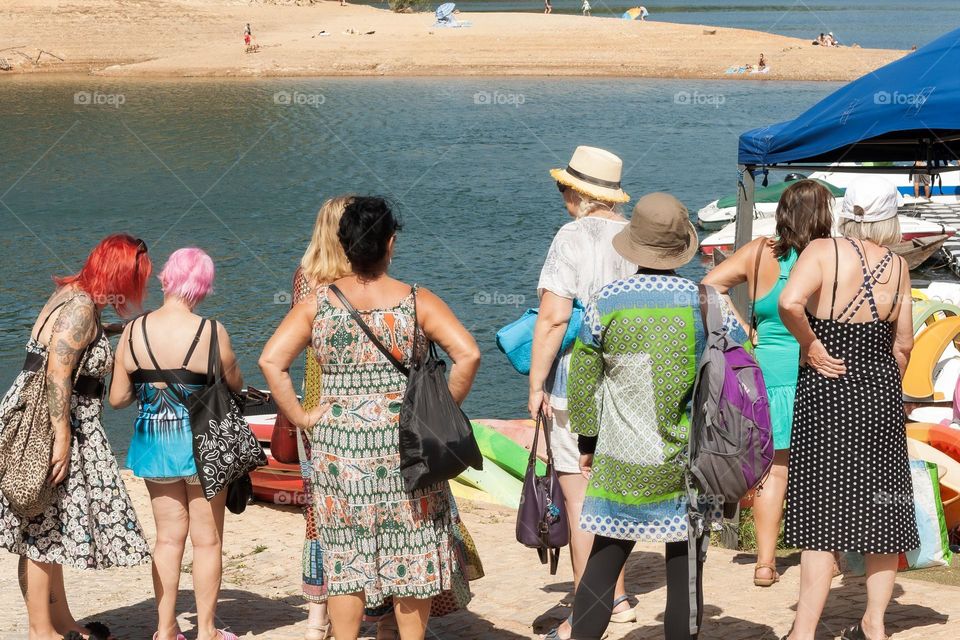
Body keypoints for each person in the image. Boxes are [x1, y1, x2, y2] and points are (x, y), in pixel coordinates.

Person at [260, 196, 481, 640]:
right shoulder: (417, 301)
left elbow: (271, 361)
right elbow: (468, 354)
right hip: (408, 446)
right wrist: (442, 411)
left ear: (344, 244)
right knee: (412, 550)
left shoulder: (317, 305)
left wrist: (303, 417)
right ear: (390, 243)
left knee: (345, 558)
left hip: (339, 449)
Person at [567, 193, 748, 640]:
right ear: (680, 247)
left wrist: (588, 443)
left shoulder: (605, 302)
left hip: (621, 461)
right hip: (689, 463)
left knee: (602, 567)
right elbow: (741, 362)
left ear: (635, 243)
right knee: (686, 576)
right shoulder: (708, 303)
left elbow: (582, 382)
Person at [778, 176, 919, 640]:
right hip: (877, 394)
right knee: (884, 509)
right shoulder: (899, 267)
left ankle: (804, 631)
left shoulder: (821, 251)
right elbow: (903, 345)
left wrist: (813, 344)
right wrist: (880, 384)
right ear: (888, 219)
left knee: (822, 511)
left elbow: (789, 302)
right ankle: (874, 623)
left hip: (827, 390)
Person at [0, 234, 153, 640]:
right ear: (119, 273)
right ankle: (40, 631)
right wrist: (62, 436)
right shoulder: (82, 308)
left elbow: (73, 346)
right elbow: (57, 373)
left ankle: (62, 622)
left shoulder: (75, 296)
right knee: (42, 530)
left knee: (51, 525)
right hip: (52, 423)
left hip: (39, 417)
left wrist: (120, 328)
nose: (138, 286)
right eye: (136, 277)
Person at [702, 180, 834, 588]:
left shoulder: (760, 253)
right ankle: (831, 560)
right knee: (824, 472)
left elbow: (708, 286)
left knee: (772, 473)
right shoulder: (828, 255)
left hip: (768, 375)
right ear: (823, 215)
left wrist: (741, 331)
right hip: (817, 371)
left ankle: (764, 562)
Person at [530, 146, 637, 640]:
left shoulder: (571, 237)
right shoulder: (638, 236)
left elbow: (553, 317)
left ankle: (588, 611)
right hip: (635, 380)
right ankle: (617, 596)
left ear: (579, 192)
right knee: (614, 493)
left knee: (579, 501)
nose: (562, 196)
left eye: (563, 188)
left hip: (580, 382)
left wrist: (536, 384)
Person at [110, 247, 243, 640]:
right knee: (207, 541)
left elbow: (117, 399)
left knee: (168, 538)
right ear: (201, 286)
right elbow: (234, 383)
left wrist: (150, 386)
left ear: (166, 278)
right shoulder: (211, 331)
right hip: (204, 445)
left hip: (154, 444)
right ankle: (206, 631)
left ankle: (165, 629)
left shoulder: (133, 331)